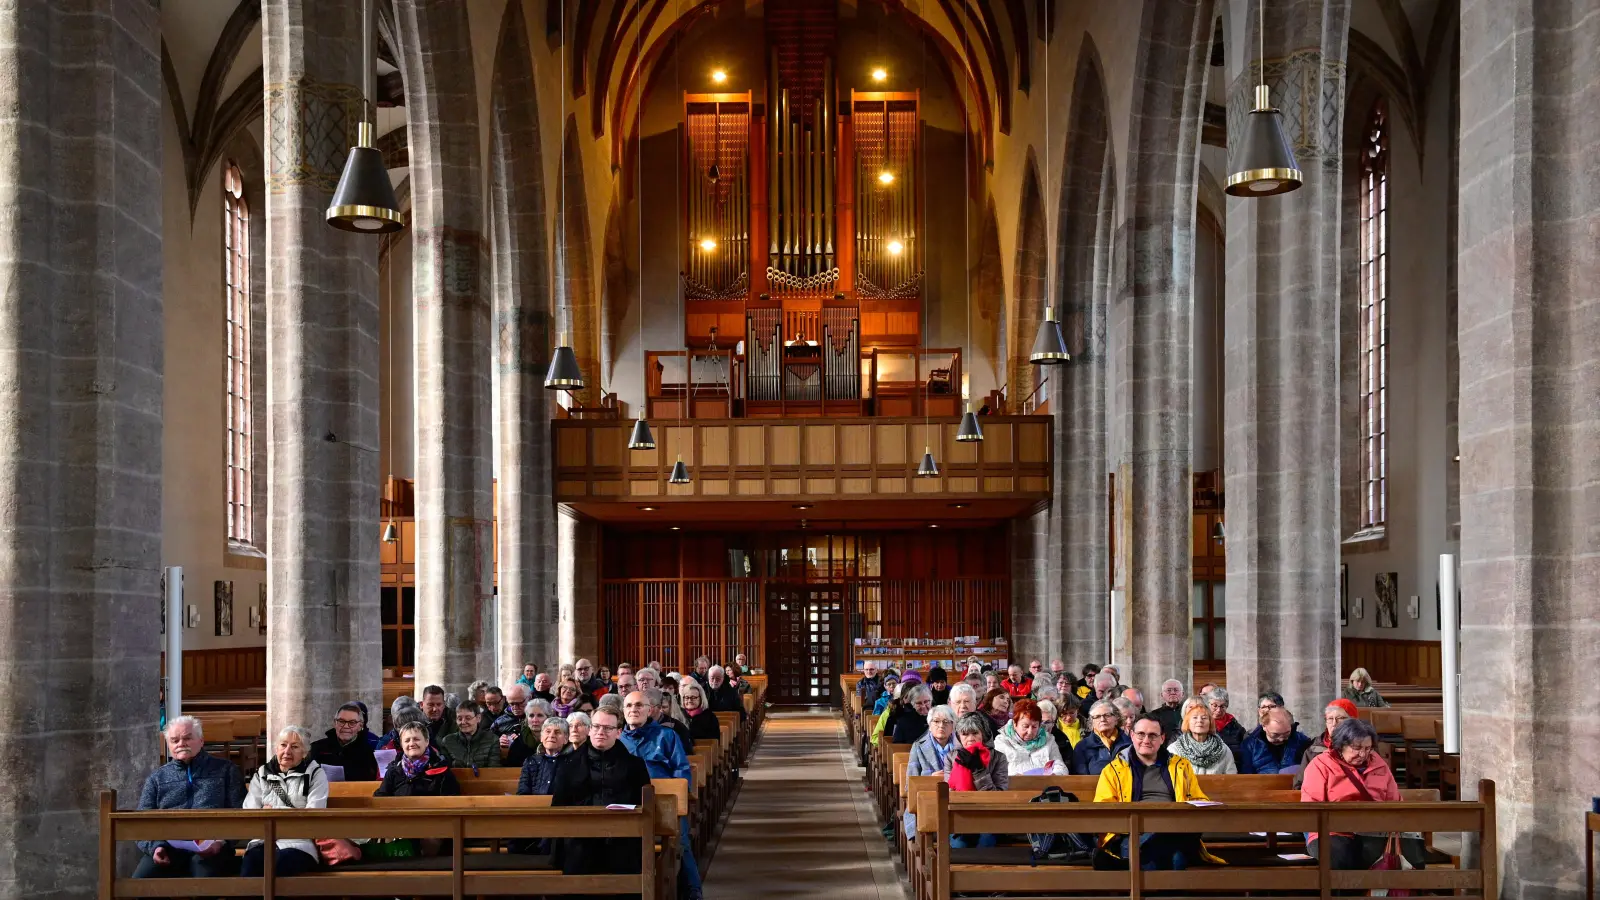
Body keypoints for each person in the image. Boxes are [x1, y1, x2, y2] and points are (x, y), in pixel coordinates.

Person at [1093, 714, 1226, 870]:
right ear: (1132, 735)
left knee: (1176, 843)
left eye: (1152, 735)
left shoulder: (1180, 766)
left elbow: (1198, 798)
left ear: (1162, 738)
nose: (1146, 740)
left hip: (1175, 827)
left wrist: (1199, 806)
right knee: (1175, 860)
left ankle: (1124, 864)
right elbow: (1104, 808)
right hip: (1135, 833)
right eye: (1141, 734)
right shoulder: (1114, 770)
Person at [133, 716, 247, 878]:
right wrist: (155, 847)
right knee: (140, 882)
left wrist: (222, 841)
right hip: (168, 847)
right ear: (168, 744)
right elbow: (140, 822)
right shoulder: (157, 778)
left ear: (201, 741)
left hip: (212, 847)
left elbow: (241, 813)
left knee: (202, 881)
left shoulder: (226, 770)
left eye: (187, 738)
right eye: (174, 740)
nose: (181, 744)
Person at [1300, 718, 1419, 871]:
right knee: (1339, 857)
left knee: (1395, 854)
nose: (1363, 754)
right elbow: (1311, 807)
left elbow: (1395, 802)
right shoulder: (1321, 765)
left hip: (1374, 830)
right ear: (1341, 745)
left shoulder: (1379, 765)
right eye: (1356, 748)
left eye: (1368, 748)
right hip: (1331, 831)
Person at [550, 707, 652, 880]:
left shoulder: (634, 765)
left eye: (607, 728)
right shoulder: (568, 764)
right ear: (590, 730)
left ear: (618, 732)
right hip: (580, 838)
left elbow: (643, 805)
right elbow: (558, 806)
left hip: (622, 837)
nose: (600, 732)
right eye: (596, 726)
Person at [619, 690, 701, 900]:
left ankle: (693, 891)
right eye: (629, 706)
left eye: (639, 705)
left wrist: (676, 803)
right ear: (623, 711)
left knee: (681, 843)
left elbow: (681, 770)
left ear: (649, 710)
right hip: (628, 806)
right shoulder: (618, 740)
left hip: (664, 805)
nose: (634, 710)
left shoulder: (666, 736)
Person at [240, 726, 329, 877]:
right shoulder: (261, 774)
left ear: (304, 753)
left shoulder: (315, 774)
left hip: (299, 844)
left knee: (280, 863)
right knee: (251, 862)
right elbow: (250, 813)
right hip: (264, 840)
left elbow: (313, 814)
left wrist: (272, 813)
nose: (287, 751)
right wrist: (294, 813)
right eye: (283, 745)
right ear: (276, 748)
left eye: (294, 747)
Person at [944, 712, 1011, 848]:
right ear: (959, 737)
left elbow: (998, 796)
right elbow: (950, 792)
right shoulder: (951, 757)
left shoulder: (999, 758)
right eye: (965, 734)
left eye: (975, 733)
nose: (970, 738)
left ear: (983, 734)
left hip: (989, 817)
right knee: (959, 846)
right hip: (960, 817)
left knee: (984, 844)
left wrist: (978, 770)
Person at [902, 704, 958, 839]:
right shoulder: (918, 747)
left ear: (953, 726)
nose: (941, 725)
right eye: (936, 721)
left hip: (956, 801)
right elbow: (910, 784)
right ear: (929, 724)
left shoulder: (961, 746)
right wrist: (930, 780)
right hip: (926, 803)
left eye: (946, 722)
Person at [375, 721, 461, 798]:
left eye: (416, 739)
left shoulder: (441, 770)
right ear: (402, 745)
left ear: (426, 741)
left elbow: (451, 802)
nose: (412, 744)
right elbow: (380, 799)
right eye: (407, 741)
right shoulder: (393, 771)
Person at [994, 699, 1070, 775]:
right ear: (1015, 724)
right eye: (1025, 726)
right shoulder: (1002, 742)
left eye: (1034, 727)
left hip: (1044, 782)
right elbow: (997, 772)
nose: (1030, 732)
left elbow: (1060, 766)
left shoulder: (1048, 740)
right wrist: (1015, 777)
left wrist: (1055, 775)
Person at [309, 702, 380, 781]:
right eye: (341, 721)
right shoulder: (316, 748)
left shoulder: (370, 753)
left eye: (352, 722)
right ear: (335, 723)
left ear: (360, 726)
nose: (346, 726)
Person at [1167, 697, 1237, 775]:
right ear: (1187, 723)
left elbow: (1232, 776)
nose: (1199, 721)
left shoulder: (1223, 749)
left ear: (1210, 723)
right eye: (1195, 718)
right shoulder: (1175, 749)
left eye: (1204, 718)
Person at [1298, 699, 1359, 785]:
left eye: (1340, 718)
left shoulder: (1364, 746)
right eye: (1330, 718)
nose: (1334, 723)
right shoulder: (1314, 749)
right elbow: (1299, 784)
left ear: (1353, 721)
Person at [1242, 707, 1313, 775]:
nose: (1281, 739)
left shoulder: (1302, 741)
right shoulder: (1250, 744)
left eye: (1286, 733)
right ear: (1264, 726)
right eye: (1275, 734)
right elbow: (1246, 775)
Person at [1072, 700, 1130, 776]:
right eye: (1097, 717)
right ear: (1092, 722)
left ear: (1116, 719)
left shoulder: (1129, 743)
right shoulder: (1082, 747)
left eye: (1107, 715)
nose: (1102, 719)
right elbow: (1082, 779)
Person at [517, 717, 573, 796]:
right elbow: (523, 791)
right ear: (541, 737)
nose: (551, 735)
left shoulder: (573, 761)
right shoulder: (531, 761)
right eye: (548, 731)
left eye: (557, 732)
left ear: (566, 739)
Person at [441, 700, 499, 769]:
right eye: (459, 719)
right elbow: (444, 769)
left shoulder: (492, 740)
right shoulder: (448, 741)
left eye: (468, 718)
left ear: (478, 718)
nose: (463, 722)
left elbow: (494, 771)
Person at [504, 698, 554, 768]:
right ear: (527, 719)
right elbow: (511, 769)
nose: (535, 720)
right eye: (531, 716)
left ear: (548, 718)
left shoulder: (556, 741)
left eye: (540, 715)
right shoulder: (518, 743)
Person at [1206, 688, 1248, 766]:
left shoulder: (1237, 728)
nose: (1218, 710)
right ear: (1208, 704)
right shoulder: (1201, 725)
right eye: (1215, 705)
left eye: (1222, 706)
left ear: (1227, 706)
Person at [680, 678, 723, 744]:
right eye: (686, 697)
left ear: (701, 698)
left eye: (693, 697)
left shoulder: (710, 717)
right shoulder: (678, 715)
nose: (689, 700)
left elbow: (714, 742)